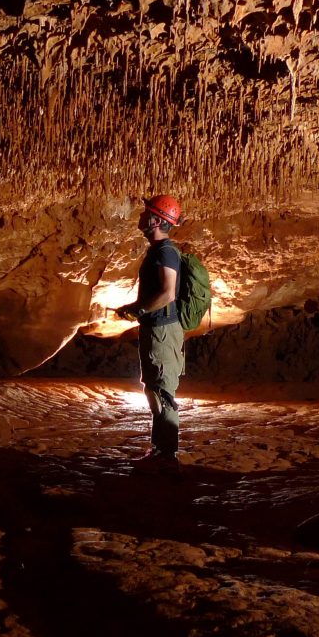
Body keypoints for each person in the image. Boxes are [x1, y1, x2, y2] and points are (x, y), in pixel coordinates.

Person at [116, 194, 186, 471]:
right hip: (155, 329)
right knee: (154, 387)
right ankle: (160, 449)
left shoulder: (166, 252)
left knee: (162, 391)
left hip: (162, 330)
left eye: (147, 213)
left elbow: (168, 293)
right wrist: (134, 307)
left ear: (157, 220)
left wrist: (139, 311)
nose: (142, 216)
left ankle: (167, 456)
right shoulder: (158, 251)